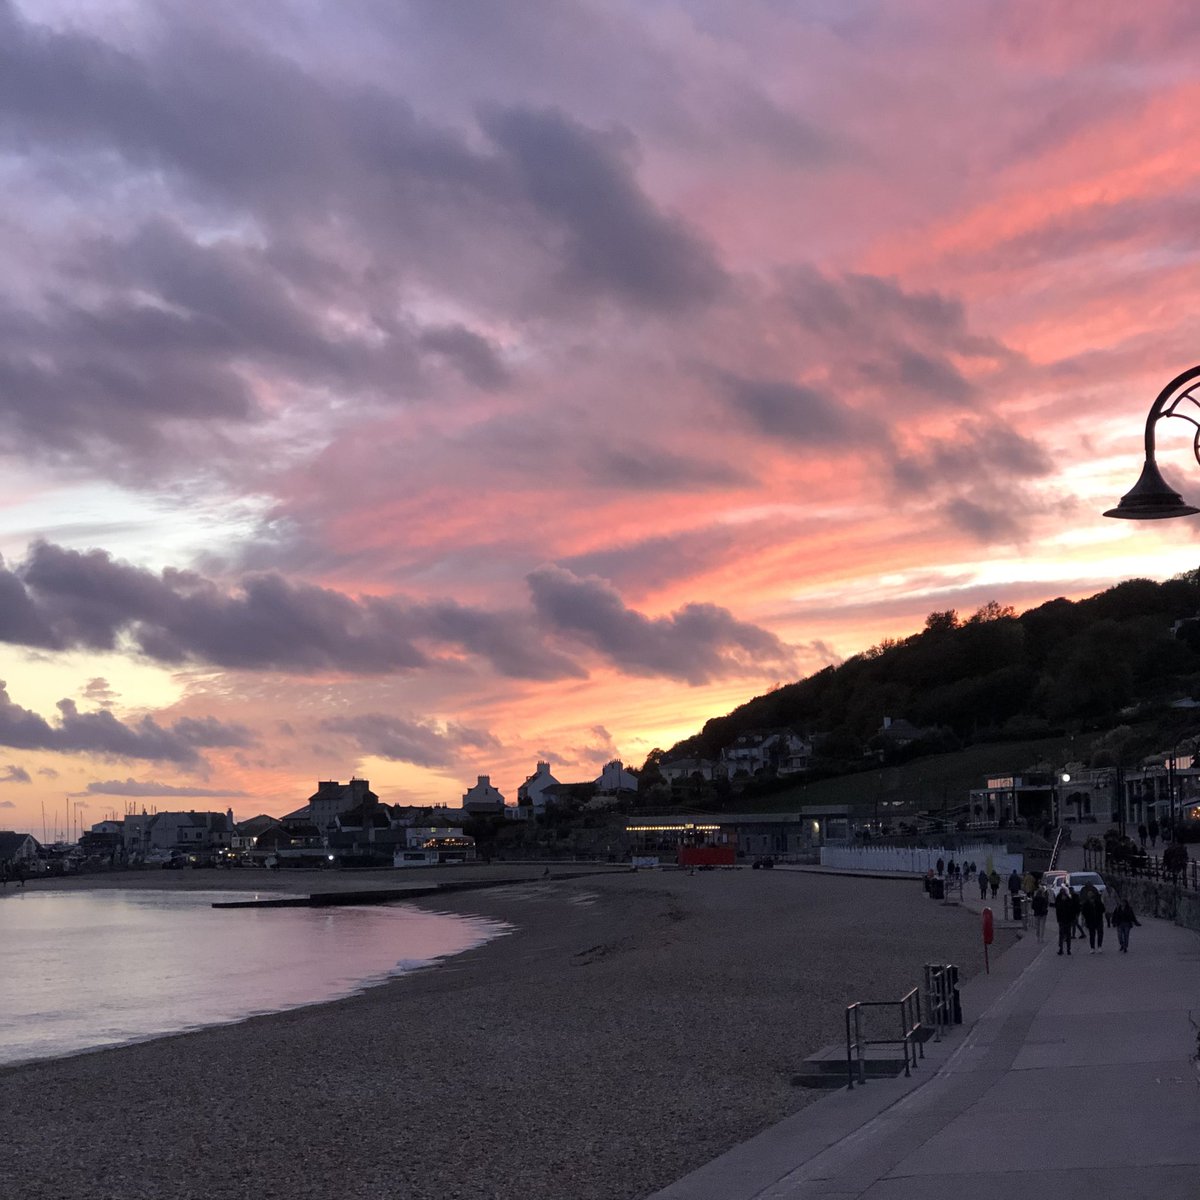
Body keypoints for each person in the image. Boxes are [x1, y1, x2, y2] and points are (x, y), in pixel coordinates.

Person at [1079, 884, 1105, 952]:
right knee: (1092, 934)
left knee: (1100, 933)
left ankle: (1099, 946)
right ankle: (1092, 947)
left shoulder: (1098, 902)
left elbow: (1103, 909)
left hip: (1098, 919)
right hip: (1090, 921)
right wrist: (1086, 920)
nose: (1090, 895)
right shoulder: (1086, 904)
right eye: (1089, 894)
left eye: (1091, 894)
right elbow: (1084, 912)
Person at [1055, 885, 1079, 955]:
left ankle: (1068, 949)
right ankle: (1061, 948)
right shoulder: (1059, 897)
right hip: (1062, 919)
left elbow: (1072, 908)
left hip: (1067, 919)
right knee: (1062, 934)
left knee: (1067, 934)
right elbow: (1057, 908)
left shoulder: (1068, 898)